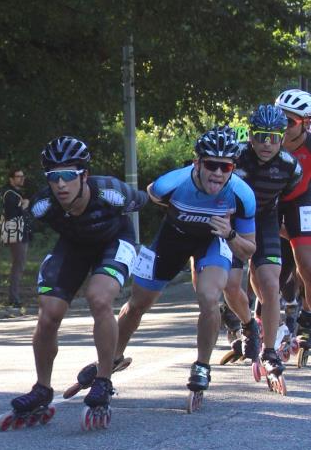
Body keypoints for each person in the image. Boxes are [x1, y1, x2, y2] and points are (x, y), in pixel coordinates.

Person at [4, 137, 147, 429]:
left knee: (99, 297)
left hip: (115, 241)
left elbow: (152, 199)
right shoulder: (43, 205)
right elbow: (22, 222)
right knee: (48, 313)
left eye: (68, 175)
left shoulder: (112, 192)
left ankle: (103, 380)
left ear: (84, 175)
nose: (60, 184)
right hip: (74, 246)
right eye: (53, 177)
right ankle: (42, 388)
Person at [114, 127, 256, 404]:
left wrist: (230, 234)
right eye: (211, 165)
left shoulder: (242, 195)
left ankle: (202, 365)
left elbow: (249, 249)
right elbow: (153, 195)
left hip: (212, 242)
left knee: (209, 297)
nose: (218, 173)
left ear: (233, 168)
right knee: (137, 304)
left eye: (225, 167)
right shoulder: (170, 184)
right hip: (171, 240)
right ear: (197, 163)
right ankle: (114, 357)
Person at [224, 104, 301, 382]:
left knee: (270, 284)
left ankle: (269, 352)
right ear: (250, 136)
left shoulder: (291, 167)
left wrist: (289, 229)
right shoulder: (234, 157)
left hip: (265, 219)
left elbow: (289, 199)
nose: (266, 144)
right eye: (260, 136)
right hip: (233, 220)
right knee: (230, 285)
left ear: (282, 137)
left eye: (273, 137)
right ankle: (249, 326)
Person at [274, 88, 311, 354]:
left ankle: (307, 319)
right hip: (271, 201)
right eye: (279, 119)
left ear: (305, 123)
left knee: (307, 265)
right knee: (269, 269)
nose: (282, 126)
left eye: (289, 121)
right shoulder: (267, 141)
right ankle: (259, 322)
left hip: (302, 201)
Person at [0, 167, 31, 309]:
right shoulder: (10, 194)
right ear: (11, 179)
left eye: (22, 176)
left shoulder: (15, 193)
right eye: (18, 176)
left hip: (20, 233)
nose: (22, 179)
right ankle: (14, 299)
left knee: (19, 264)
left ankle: (15, 297)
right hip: (16, 234)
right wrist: (24, 206)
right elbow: (10, 215)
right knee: (18, 265)